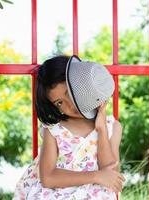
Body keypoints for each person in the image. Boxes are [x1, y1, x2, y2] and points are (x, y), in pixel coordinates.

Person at [13, 55, 124, 199]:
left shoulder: (111, 127)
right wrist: (96, 176)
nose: (70, 106)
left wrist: (101, 129)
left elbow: (112, 175)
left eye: (69, 94)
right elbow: (48, 177)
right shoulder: (55, 129)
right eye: (59, 102)